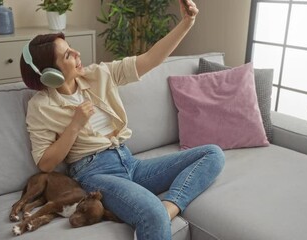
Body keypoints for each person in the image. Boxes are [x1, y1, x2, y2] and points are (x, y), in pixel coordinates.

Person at [20, 1, 225, 239]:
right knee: (151, 213)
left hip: (131, 163)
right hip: (94, 175)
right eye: (67, 54)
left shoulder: (99, 74)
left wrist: (186, 23)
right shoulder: (41, 106)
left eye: (72, 48)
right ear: (50, 74)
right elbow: (45, 164)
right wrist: (75, 125)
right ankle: (157, 214)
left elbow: (150, 59)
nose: (77, 54)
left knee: (212, 154)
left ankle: (169, 207)